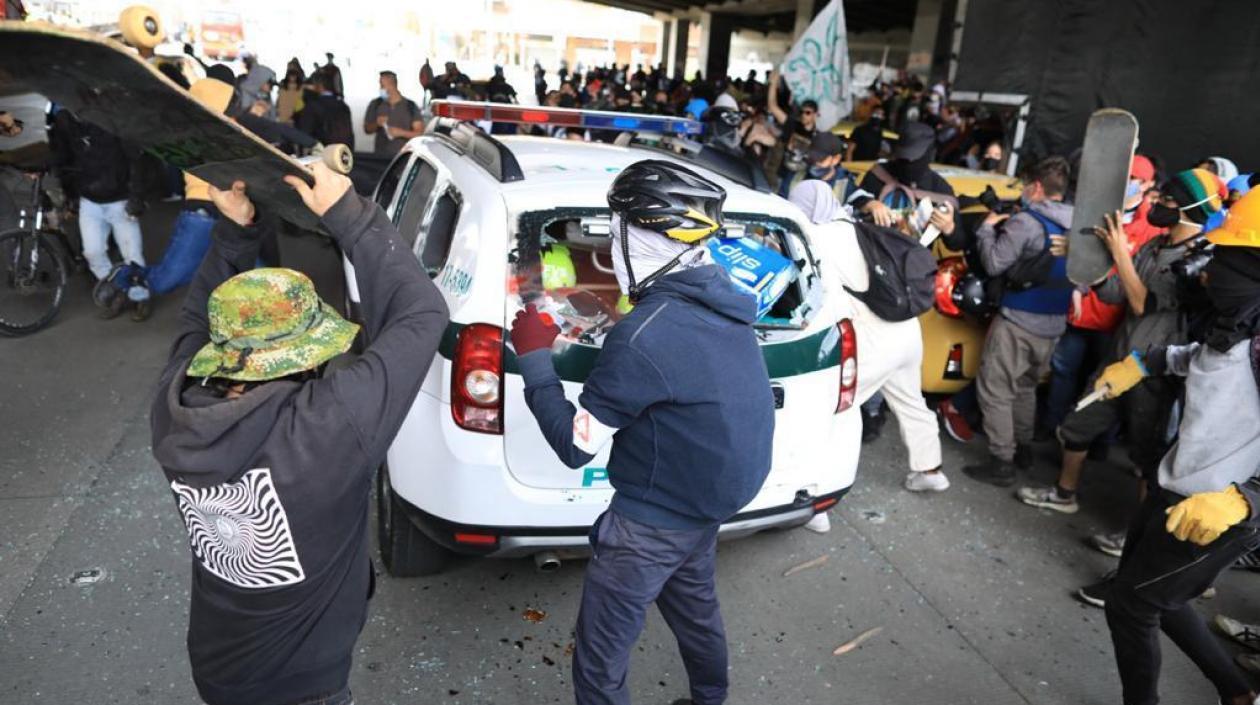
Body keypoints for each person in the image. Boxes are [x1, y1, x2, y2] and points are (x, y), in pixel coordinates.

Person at [149, 162, 449, 705]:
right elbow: (423, 313)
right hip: (307, 689)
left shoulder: (174, 403)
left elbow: (196, 323)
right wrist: (350, 218)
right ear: (308, 356)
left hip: (217, 666)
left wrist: (238, 232)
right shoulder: (326, 424)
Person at [509, 159, 771, 705]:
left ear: (640, 241)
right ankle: (709, 700)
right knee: (697, 614)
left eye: (616, 232)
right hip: (703, 508)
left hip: (649, 526)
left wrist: (535, 359)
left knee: (600, 656)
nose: (610, 251)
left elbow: (577, 448)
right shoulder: (722, 299)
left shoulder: (645, 337)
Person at [1095, 187, 1260, 705]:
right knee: (1150, 594)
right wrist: (1148, 362)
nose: (1213, 271)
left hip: (1217, 509)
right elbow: (1206, 359)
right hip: (1176, 484)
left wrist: (1249, 497)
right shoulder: (1241, 323)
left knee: (1132, 605)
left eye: (1231, 258)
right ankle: (1237, 693)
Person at [1016, 170, 1224, 565]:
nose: (1158, 201)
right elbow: (1117, 293)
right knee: (1078, 424)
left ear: (1188, 209)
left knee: (1147, 456)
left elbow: (1144, 302)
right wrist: (1088, 264)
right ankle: (1064, 494)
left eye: (1167, 199)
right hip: (1119, 359)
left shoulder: (1199, 260)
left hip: (1156, 372)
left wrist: (1119, 253)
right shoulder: (1155, 245)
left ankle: (1133, 535)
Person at [789, 180, 949, 509]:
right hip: (908, 331)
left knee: (837, 411)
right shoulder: (859, 225)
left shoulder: (817, 239)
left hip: (876, 340)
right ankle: (930, 469)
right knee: (911, 401)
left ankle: (817, 500)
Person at [963, 156, 1074, 486]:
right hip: (1055, 323)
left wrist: (986, 228)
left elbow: (995, 262)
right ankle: (1023, 447)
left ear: (1036, 187)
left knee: (995, 389)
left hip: (1018, 321)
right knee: (1026, 387)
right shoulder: (1079, 224)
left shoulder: (1026, 222)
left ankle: (1002, 460)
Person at [1038, 154, 1161, 441]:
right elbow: (1077, 257)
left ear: (1147, 184)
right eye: (1124, 178)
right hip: (1081, 312)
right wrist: (1077, 288)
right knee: (1063, 373)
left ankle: (1098, 443)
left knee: (1104, 386)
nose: (1127, 184)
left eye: (1134, 180)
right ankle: (1051, 428)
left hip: (1115, 324)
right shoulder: (1095, 212)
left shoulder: (1152, 230)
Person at [54, 113, 151, 320]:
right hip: (90, 201)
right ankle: (118, 292)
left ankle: (140, 298)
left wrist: (137, 197)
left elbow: (136, 159)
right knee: (93, 253)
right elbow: (64, 161)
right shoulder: (66, 122)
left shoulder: (112, 119)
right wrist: (70, 194)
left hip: (120, 201)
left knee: (132, 255)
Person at [848, 121, 967, 251]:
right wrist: (869, 204)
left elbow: (958, 244)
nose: (908, 163)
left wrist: (949, 228)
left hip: (912, 265)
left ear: (929, 154)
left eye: (914, 159)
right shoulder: (878, 173)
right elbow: (850, 203)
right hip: (870, 253)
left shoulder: (939, 189)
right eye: (903, 158)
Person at [765, 70, 818, 191]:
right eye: (802, 112)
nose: (804, 115)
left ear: (815, 114)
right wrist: (773, 84)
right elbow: (773, 106)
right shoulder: (793, 124)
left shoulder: (817, 135)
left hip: (799, 178)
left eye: (808, 113)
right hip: (781, 173)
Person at [777, 132, 855, 203]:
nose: (815, 163)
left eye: (820, 159)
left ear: (836, 159)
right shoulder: (795, 175)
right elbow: (781, 201)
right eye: (812, 158)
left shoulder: (845, 185)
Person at [363, 71, 423, 157]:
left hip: (403, 158)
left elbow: (419, 133)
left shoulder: (410, 106)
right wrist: (377, 124)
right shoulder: (375, 104)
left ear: (392, 86)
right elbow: (367, 129)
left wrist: (400, 133)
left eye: (382, 86)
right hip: (380, 157)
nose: (380, 89)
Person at [296, 70, 353, 149]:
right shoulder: (344, 106)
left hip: (322, 153)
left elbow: (304, 135)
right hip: (342, 152)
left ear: (319, 86)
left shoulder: (312, 106)